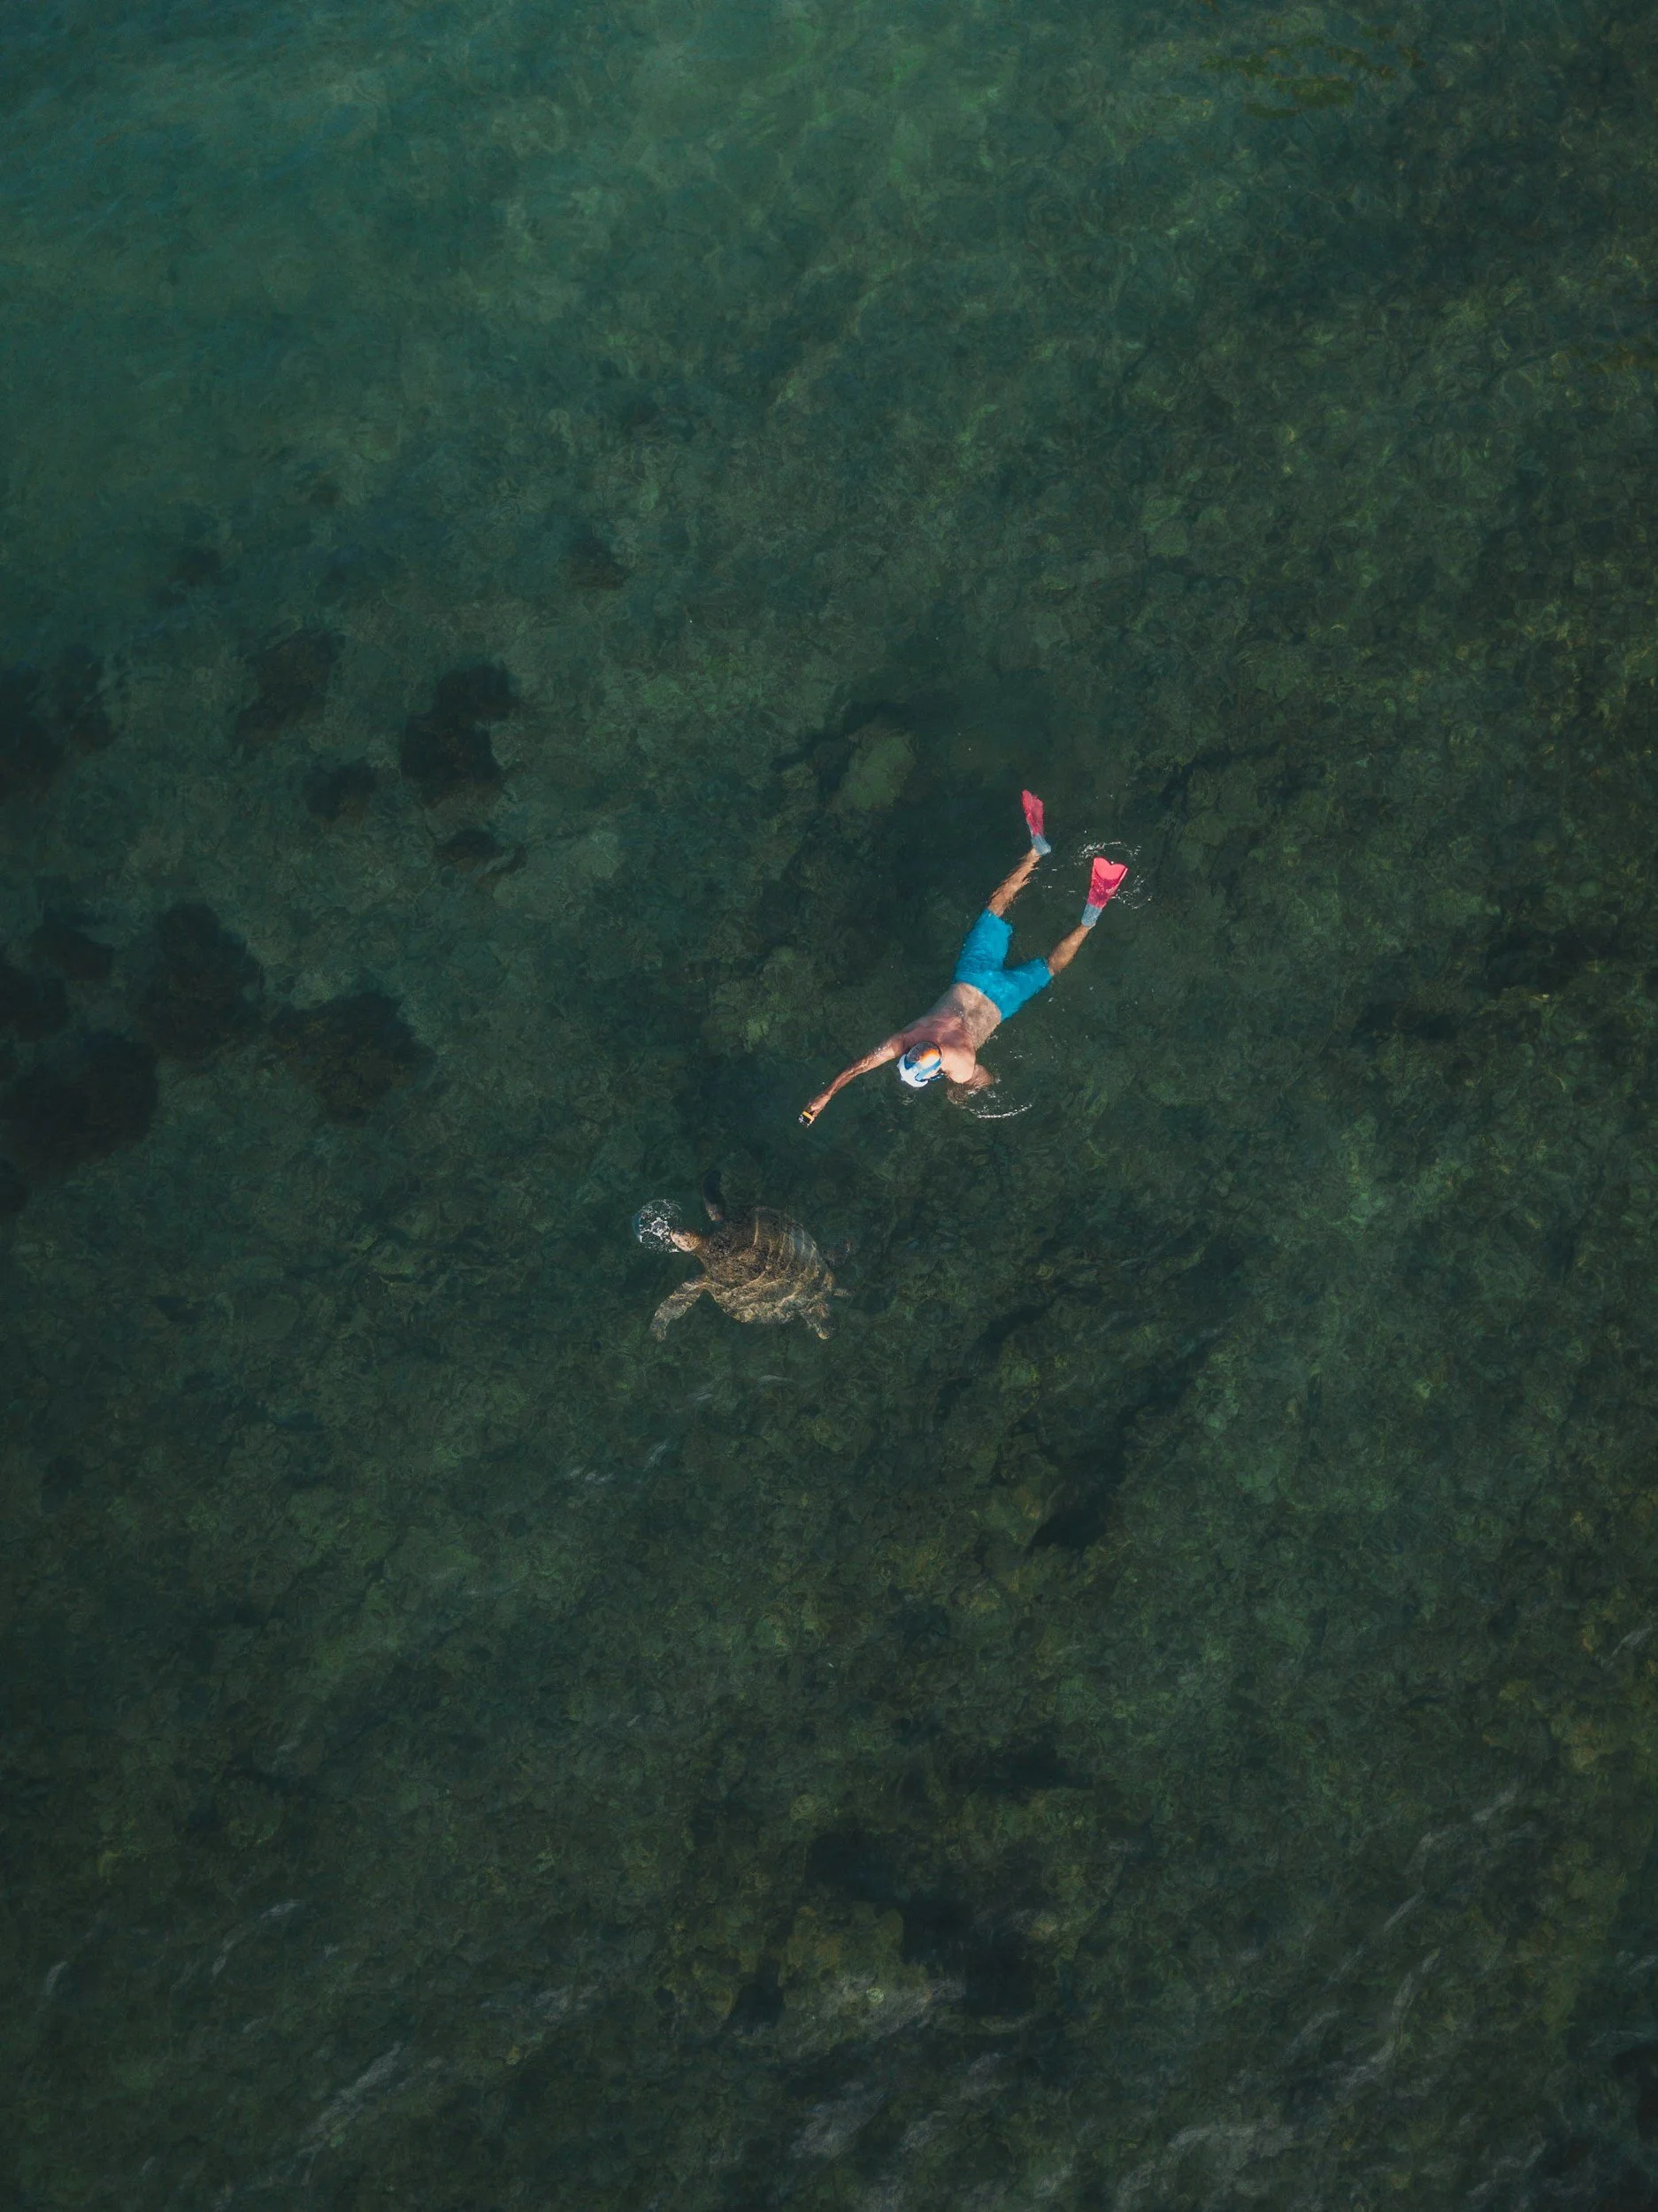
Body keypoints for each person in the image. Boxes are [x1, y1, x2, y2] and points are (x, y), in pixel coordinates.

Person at [798, 797, 1126, 1125]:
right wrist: (826, 1094)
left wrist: (961, 1095)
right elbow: (859, 1065)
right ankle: (1036, 854)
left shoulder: (960, 1068)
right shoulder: (906, 1038)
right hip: (973, 976)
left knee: (1051, 966)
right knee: (995, 910)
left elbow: (987, 1080)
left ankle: (1090, 914)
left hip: (1001, 998)